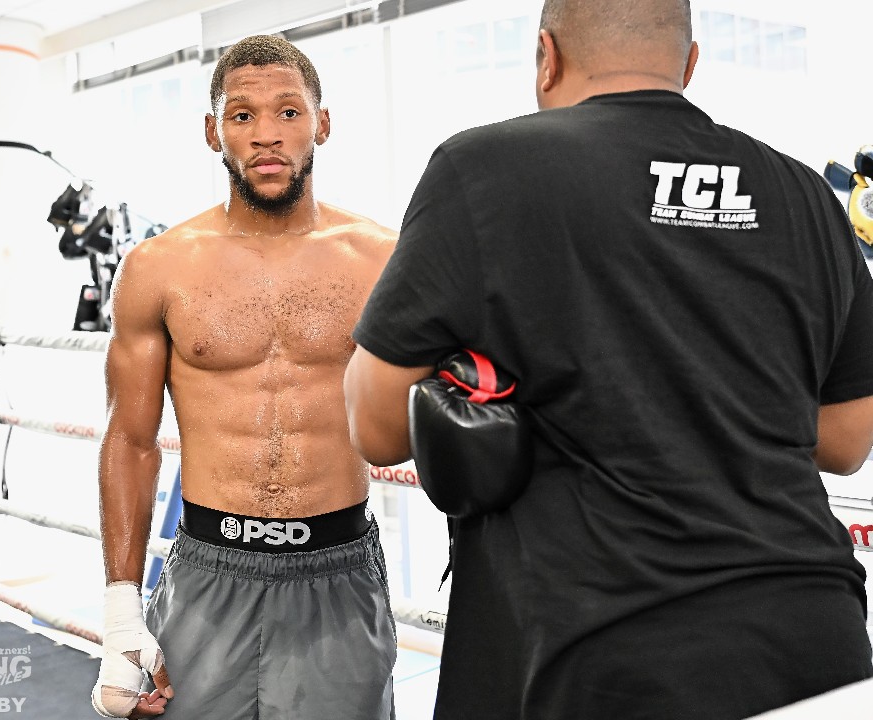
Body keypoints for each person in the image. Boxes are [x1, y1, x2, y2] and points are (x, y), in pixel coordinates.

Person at [343, 1, 873, 718]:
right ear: (689, 64)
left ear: (547, 57)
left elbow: (375, 426)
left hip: (601, 647)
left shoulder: (487, 168)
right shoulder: (803, 191)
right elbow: (846, 441)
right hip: (812, 636)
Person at [91, 35, 398, 719]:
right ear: (213, 132)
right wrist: (119, 620)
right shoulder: (158, 268)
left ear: (322, 123)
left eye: (288, 112)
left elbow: (443, 411)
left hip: (339, 572)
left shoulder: (383, 260)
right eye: (242, 115)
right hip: (206, 572)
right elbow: (130, 441)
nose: (266, 134)